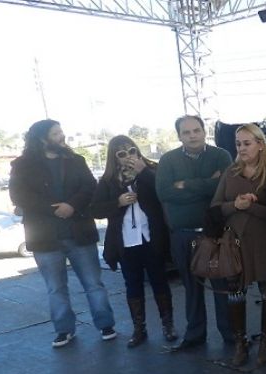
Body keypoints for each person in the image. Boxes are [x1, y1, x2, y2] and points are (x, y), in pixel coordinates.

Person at [9, 119, 116, 347]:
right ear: (41, 138)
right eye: (56, 133)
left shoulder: (76, 160)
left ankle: (106, 325)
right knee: (56, 288)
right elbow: (19, 196)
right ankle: (64, 330)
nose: (62, 136)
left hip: (80, 233)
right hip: (45, 238)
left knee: (94, 284)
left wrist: (72, 206)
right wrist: (54, 210)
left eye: (61, 131)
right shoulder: (22, 165)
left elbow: (89, 187)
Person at [155, 115, 233, 351]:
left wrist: (185, 184)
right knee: (191, 288)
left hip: (216, 234)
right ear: (179, 135)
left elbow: (224, 188)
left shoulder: (221, 156)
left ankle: (231, 334)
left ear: (204, 131)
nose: (192, 135)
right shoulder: (168, 160)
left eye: (196, 130)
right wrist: (205, 185)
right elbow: (165, 193)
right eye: (186, 132)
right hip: (183, 235)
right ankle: (195, 335)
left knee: (222, 287)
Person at [91, 135, 177, 348]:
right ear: (114, 158)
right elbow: (95, 209)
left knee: (159, 281)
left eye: (131, 151)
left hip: (151, 237)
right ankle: (139, 328)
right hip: (126, 241)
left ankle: (168, 325)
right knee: (133, 285)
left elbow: (163, 193)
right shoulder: (109, 180)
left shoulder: (151, 170)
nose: (128, 156)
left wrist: (143, 172)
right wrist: (117, 202)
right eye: (121, 154)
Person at [211, 123, 266, 366]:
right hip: (235, 244)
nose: (241, 148)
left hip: (263, 243)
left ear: (260, 145)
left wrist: (252, 206)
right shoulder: (230, 173)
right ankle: (240, 343)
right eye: (238, 143)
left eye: (247, 143)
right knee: (235, 293)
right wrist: (235, 206)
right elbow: (215, 207)